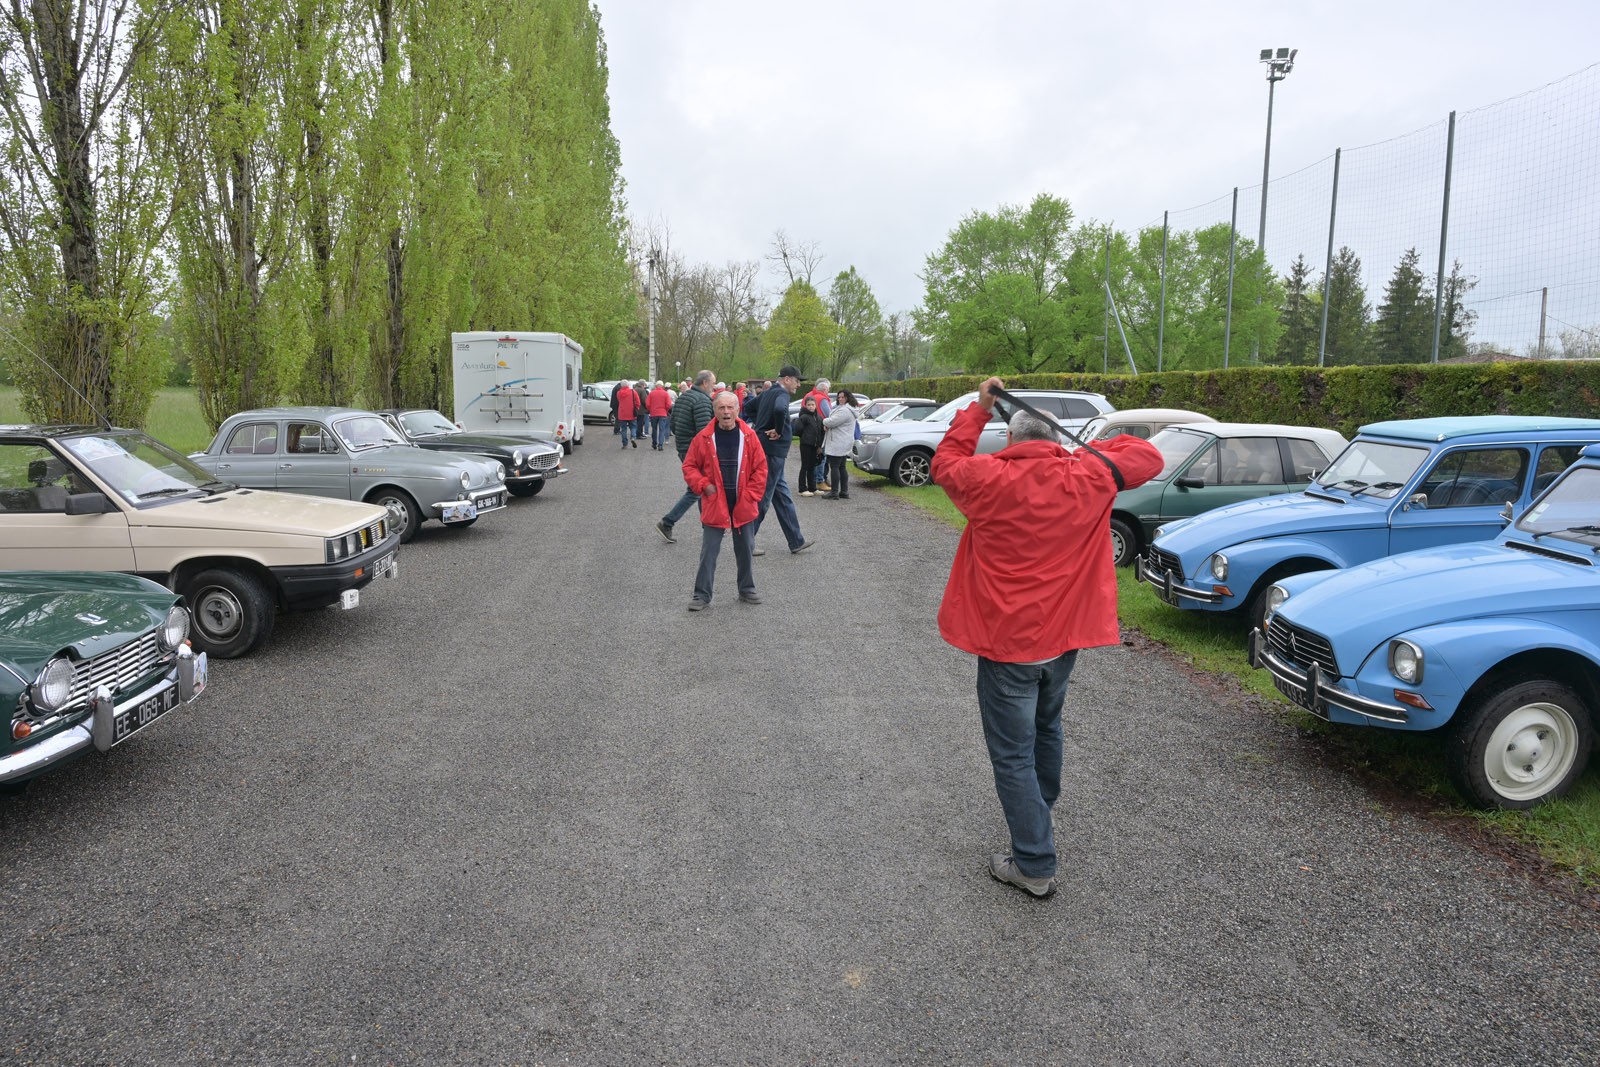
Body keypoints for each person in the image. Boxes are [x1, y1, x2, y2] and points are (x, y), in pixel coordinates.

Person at [932, 376, 1163, 899]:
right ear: (1056, 439)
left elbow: (946, 461)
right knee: (1046, 727)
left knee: (1013, 751)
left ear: (1011, 439)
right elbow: (1146, 455)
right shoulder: (1089, 474)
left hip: (1007, 642)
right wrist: (1081, 448)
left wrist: (979, 409)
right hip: (1062, 639)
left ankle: (1034, 863)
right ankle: (1037, 813)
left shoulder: (986, 477)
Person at [680, 390, 767, 610]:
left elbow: (761, 469)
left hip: (743, 503)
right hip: (714, 503)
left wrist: (750, 495)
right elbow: (689, 466)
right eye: (721, 408)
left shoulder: (749, 436)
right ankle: (701, 595)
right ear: (715, 410)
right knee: (708, 552)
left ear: (738, 409)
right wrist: (703, 485)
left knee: (745, 549)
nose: (726, 412)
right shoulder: (703, 437)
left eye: (730, 407)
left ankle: (747, 589)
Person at [749, 364, 814, 557]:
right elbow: (779, 409)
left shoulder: (768, 392)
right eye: (796, 381)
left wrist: (761, 426)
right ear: (786, 379)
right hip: (772, 453)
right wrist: (777, 429)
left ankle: (796, 541)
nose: (798, 385)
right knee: (764, 498)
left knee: (783, 498)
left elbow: (748, 407)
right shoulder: (782, 394)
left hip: (771, 452)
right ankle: (746, 542)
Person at [656, 369, 716, 542]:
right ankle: (668, 522)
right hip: (695, 452)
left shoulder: (684, 397)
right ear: (705, 383)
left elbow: (673, 424)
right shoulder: (702, 400)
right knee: (698, 489)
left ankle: (706, 527)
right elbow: (705, 433)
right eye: (712, 384)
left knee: (699, 488)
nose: (713, 388)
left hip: (684, 448)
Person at [820, 389, 858, 499]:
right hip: (843, 441)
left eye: (843, 397)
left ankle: (834, 492)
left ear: (848, 398)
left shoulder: (844, 410)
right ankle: (844, 491)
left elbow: (831, 422)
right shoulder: (850, 409)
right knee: (842, 467)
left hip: (838, 442)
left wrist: (824, 421)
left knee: (835, 466)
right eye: (839, 397)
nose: (840, 399)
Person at [793, 395, 825, 496]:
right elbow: (798, 430)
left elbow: (821, 432)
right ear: (805, 406)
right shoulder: (804, 417)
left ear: (815, 406)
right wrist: (805, 437)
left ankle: (812, 488)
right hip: (806, 444)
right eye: (809, 405)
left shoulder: (818, 417)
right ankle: (802, 489)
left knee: (812, 466)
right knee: (805, 466)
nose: (811, 407)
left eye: (812, 405)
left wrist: (819, 446)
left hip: (815, 446)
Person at [807, 379, 833, 490]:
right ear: (824, 389)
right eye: (828, 389)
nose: (828, 391)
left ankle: (813, 481)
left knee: (814, 457)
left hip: (812, 431)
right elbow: (829, 415)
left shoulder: (811, 397)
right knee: (822, 457)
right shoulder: (822, 399)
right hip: (822, 430)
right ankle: (820, 481)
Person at [648, 380, 673, 450]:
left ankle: (654, 443)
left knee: (654, 429)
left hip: (653, 413)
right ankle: (660, 445)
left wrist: (651, 409)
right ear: (662, 386)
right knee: (662, 429)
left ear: (656, 386)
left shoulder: (651, 393)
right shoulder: (665, 393)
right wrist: (666, 410)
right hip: (663, 413)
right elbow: (669, 404)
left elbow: (648, 404)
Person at [614, 379, 640, 447]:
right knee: (633, 426)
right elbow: (638, 402)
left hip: (622, 413)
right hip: (631, 412)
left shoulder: (618, 393)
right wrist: (637, 408)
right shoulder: (633, 392)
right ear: (628, 385)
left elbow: (619, 400)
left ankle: (625, 443)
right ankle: (633, 437)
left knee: (623, 429)